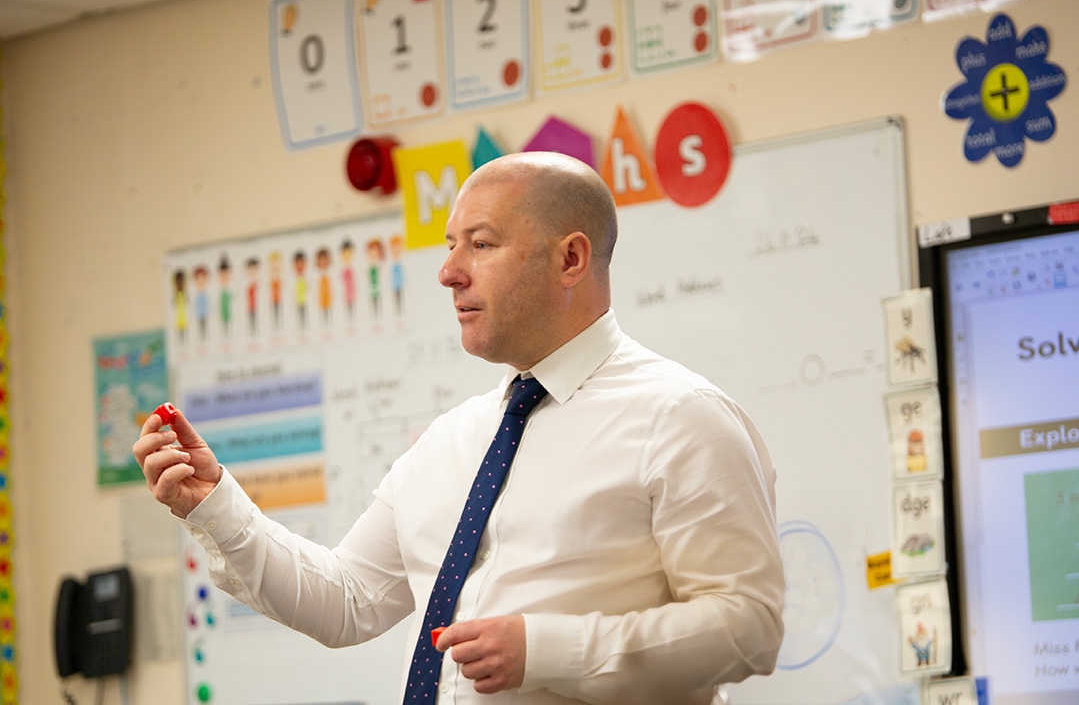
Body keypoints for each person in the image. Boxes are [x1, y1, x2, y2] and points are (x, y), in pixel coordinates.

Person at [134, 152, 784, 705]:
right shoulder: (452, 441)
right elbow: (345, 600)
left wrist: (545, 650)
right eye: (449, 246)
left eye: (481, 244)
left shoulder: (681, 418)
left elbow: (747, 627)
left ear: (571, 259)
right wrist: (214, 504)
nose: (449, 271)